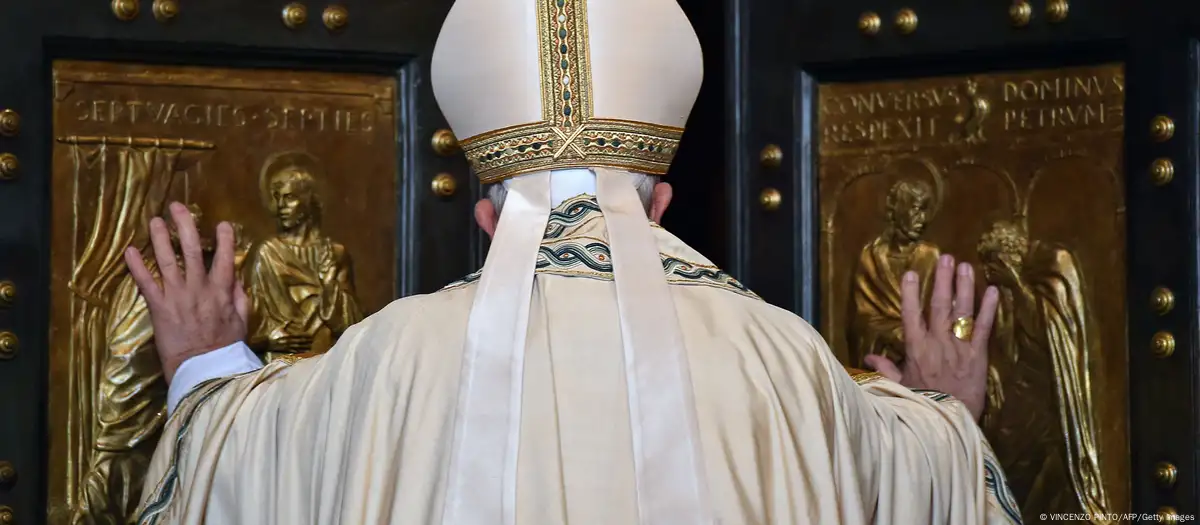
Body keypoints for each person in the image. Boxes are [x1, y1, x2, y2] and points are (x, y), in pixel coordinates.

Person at [129, 1, 1020, 523]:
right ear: (661, 205)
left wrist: (203, 359)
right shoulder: (782, 360)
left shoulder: (383, 361)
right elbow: (919, 479)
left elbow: (231, 461)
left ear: (486, 217)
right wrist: (946, 410)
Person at [847, 178, 941, 365]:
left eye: (925, 211)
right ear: (897, 209)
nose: (922, 220)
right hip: (881, 365)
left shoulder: (930, 257)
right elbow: (859, 322)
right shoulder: (870, 256)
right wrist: (892, 335)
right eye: (916, 209)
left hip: (923, 365)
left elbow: (943, 317)